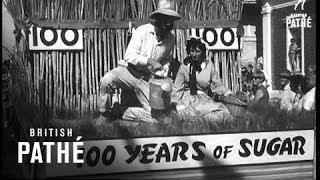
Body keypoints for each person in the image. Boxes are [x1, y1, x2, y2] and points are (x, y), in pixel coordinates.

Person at [98, 0, 181, 126]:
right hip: (128, 72)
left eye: (171, 19)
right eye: (166, 18)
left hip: (147, 79)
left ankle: (118, 111)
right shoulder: (142, 31)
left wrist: (162, 71)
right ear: (158, 18)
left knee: (157, 118)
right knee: (107, 79)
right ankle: (104, 114)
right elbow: (129, 56)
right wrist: (149, 61)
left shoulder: (170, 39)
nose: (169, 22)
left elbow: (166, 60)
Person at [171, 38, 233, 124]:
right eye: (192, 51)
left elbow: (217, 84)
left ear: (203, 52)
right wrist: (176, 104)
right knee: (192, 113)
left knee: (217, 113)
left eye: (197, 51)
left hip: (203, 97)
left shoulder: (209, 65)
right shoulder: (184, 66)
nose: (194, 54)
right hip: (188, 98)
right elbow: (177, 88)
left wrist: (226, 92)